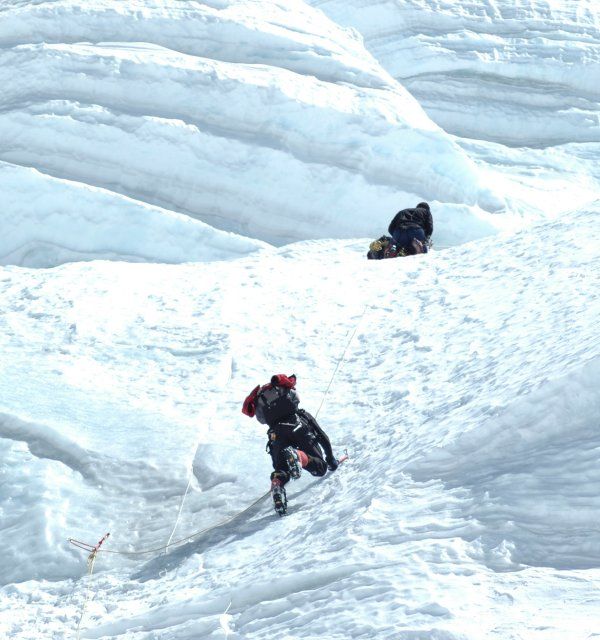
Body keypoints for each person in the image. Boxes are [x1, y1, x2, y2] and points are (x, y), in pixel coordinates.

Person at [242, 374, 338, 515]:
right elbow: (322, 436)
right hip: (298, 426)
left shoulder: (264, 405)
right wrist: (330, 460)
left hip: (276, 434)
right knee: (320, 467)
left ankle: (277, 483)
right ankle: (299, 456)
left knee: (282, 468)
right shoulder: (302, 415)